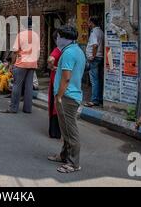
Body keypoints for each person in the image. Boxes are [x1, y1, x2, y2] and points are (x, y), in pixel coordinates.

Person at [48, 25, 86, 174]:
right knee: (65, 130)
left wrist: (59, 96)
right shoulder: (76, 50)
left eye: (58, 37)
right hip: (72, 94)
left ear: (64, 38)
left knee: (70, 131)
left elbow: (67, 77)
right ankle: (64, 156)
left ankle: (73, 163)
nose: (57, 39)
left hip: (67, 96)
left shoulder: (69, 53)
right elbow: (69, 72)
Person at [1, 19, 40, 114]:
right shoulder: (36, 35)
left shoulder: (21, 34)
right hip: (32, 63)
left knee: (17, 85)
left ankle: (13, 108)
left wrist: (11, 64)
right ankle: (27, 109)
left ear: (23, 25)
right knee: (28, 86)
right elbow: (38, 51)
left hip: (22, 63)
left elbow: (15, 51)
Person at [84, 16, 105, 108]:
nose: (88, 24)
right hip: (100, 57)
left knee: (94, 80)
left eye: (89, 22)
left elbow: (95, 45)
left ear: (92, 23)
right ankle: (99, 98)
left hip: (95, 59)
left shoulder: (94, 32)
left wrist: (93, 55)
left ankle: (95, 100)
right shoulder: (101, 32)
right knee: (99, 79)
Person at [48, 31, 63, 139]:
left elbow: (50, 59)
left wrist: (53, 68)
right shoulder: (71, 50)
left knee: (55, 105)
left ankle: (55, 132)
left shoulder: (58, 49)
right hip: (66, 82)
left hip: (56, 81)